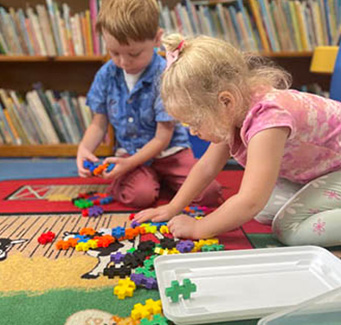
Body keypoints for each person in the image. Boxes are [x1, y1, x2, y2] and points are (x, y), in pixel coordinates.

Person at [135, 34, 341, 247]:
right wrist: (173, 207)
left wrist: (199, 228)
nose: (193, 132)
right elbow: (207, 167)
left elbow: (250, 201)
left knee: (288, 228)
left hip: (337, 171)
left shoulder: (269, 120)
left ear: (226, 101)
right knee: (265, 209)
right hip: (321, 171)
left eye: (195, 122)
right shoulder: (234, 108)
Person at [76, 1, 223, 209]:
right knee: (140, 196)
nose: (124, 62)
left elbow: (162, 138)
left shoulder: (165, 74)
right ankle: (153, 182)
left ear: (157, 39)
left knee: (210, 193)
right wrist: (84, 148)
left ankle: (159, 179)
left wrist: (129, 165)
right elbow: (98, 124)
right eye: (114, 53)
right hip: (129, 151)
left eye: (134, 54)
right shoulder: (107, 74)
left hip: (170, 151)